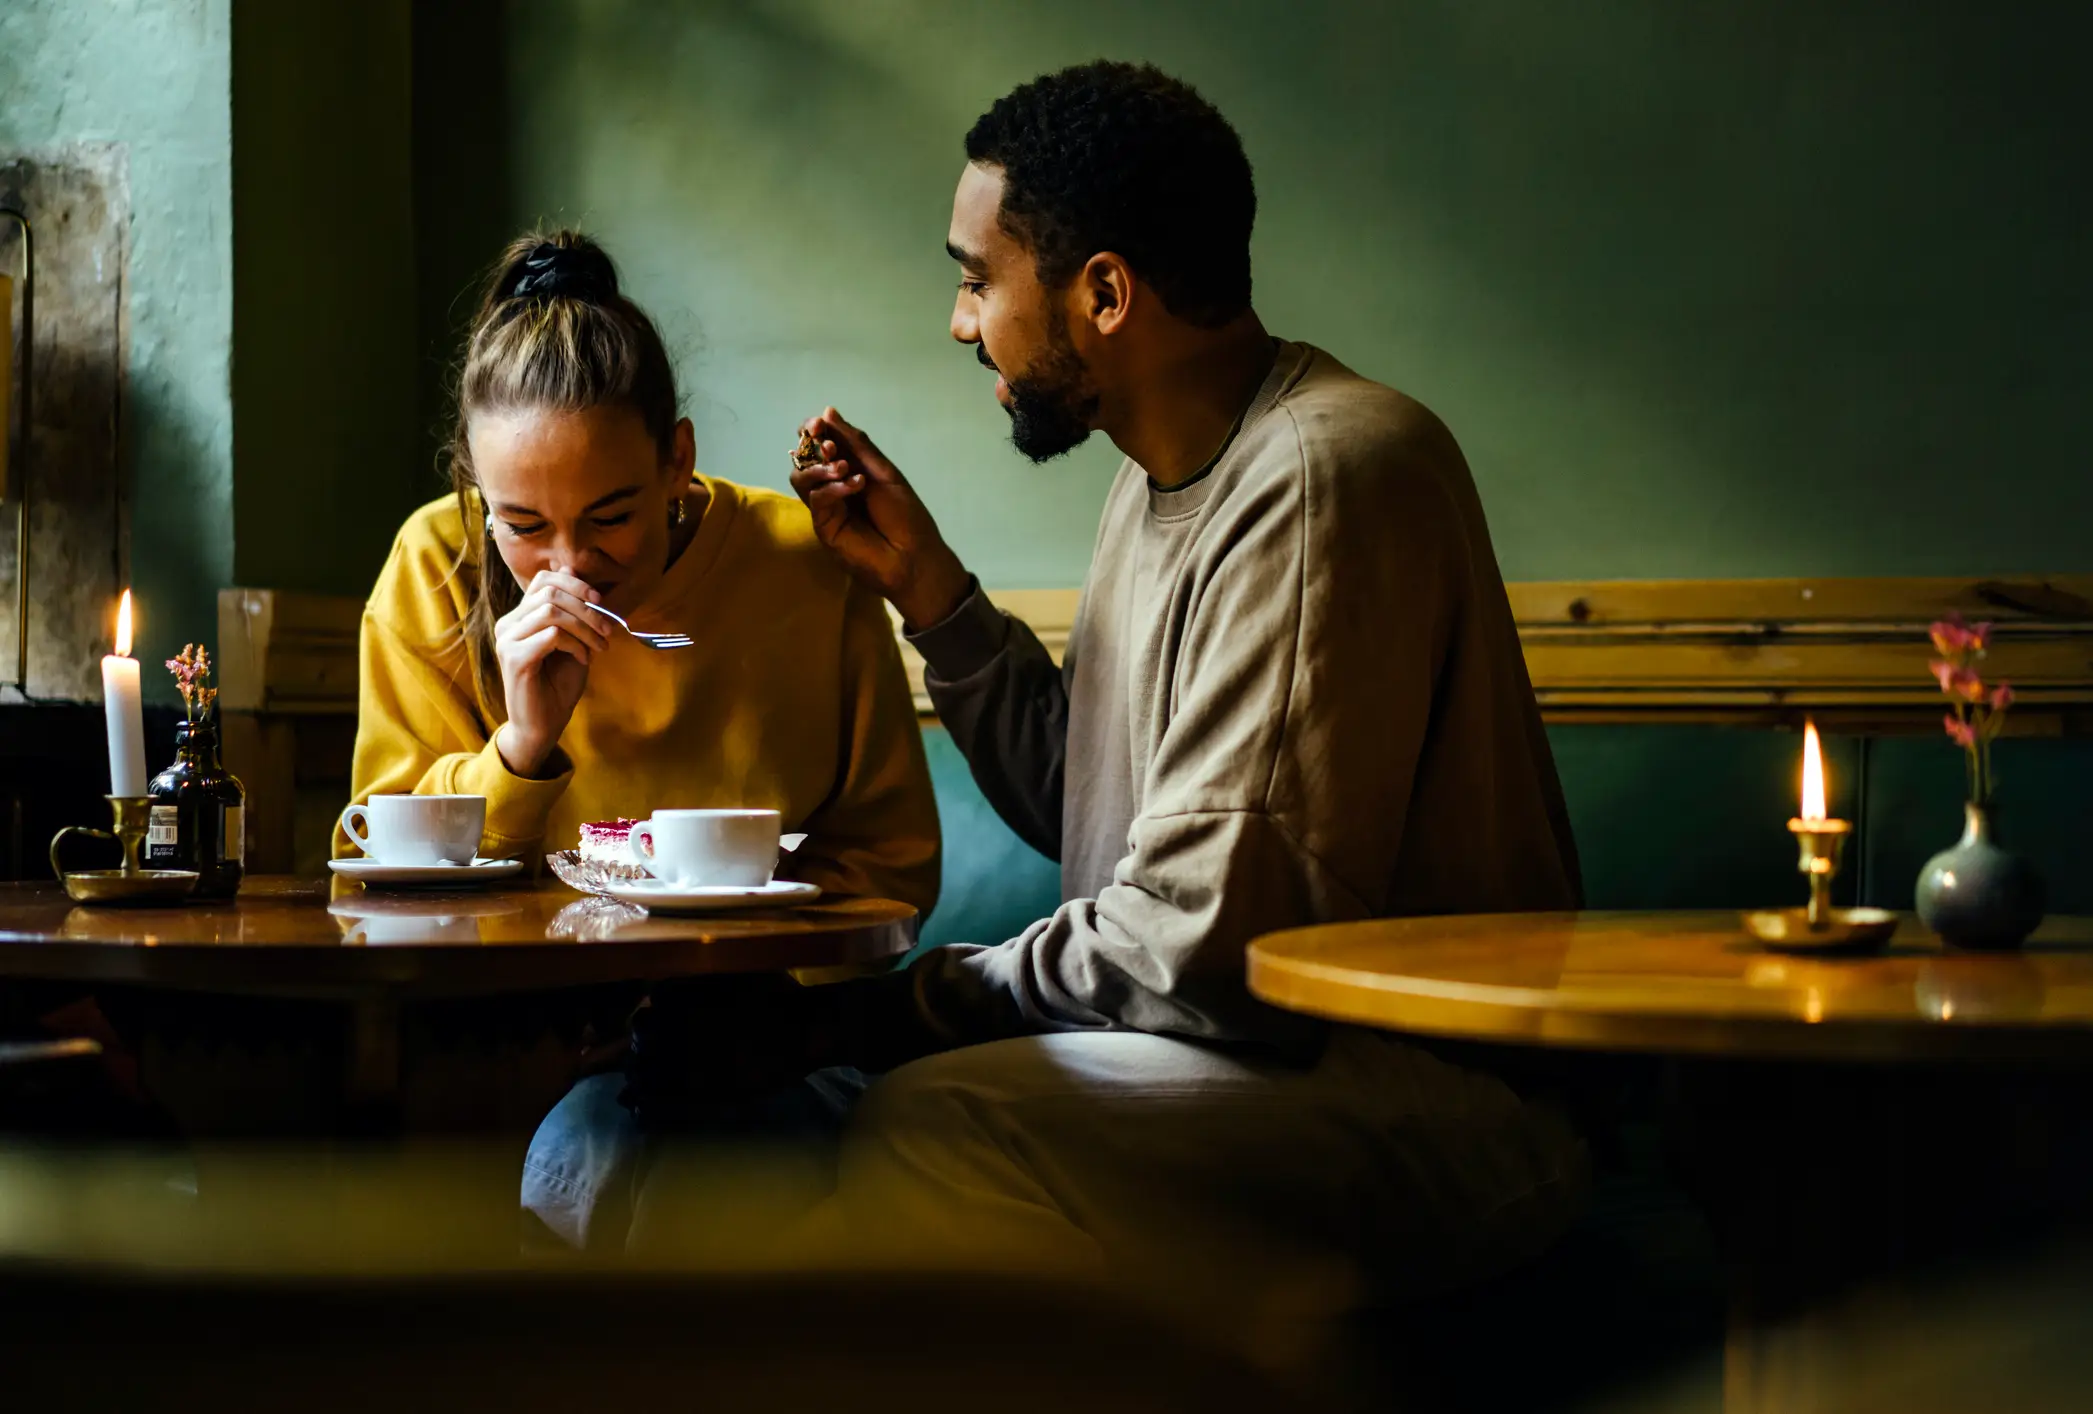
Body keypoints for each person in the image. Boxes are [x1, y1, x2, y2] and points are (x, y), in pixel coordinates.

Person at [616, 62, 1591, 1309]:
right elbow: (1098, 805)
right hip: (1245, 1065)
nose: (961, 323)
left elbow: (1194, 943)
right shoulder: (1158, 474)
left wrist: (860, 1018)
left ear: (1108, 294)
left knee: (936, 1118)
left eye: (978, 280)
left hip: (1444, 1103)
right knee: (760, 1126)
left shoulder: (1322, 475)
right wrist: (931, 592)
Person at [348, 227, 939, 903]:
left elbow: (891, 868)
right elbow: (378, 878)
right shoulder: (433, 563)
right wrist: (522, 747)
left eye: (610, 518)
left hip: (751, 969)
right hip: (508, 972)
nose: (570, 565)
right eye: (523, 526)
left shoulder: (804, 563)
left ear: (677, 461)